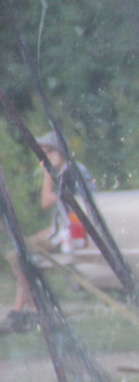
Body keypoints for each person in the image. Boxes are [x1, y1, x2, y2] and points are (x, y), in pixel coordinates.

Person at [4, 131, 93, 333]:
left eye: (50, 152)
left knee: (17, 255)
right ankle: (27, 307)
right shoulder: (72, 171)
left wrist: (47, 173)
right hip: (65, 229)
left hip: (72, 235)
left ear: (62, 152)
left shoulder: (70, 174)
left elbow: (46, 201)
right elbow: (62, 215)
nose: (45, 158)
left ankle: (29, 309)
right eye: (43, 153)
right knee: (19, 250)